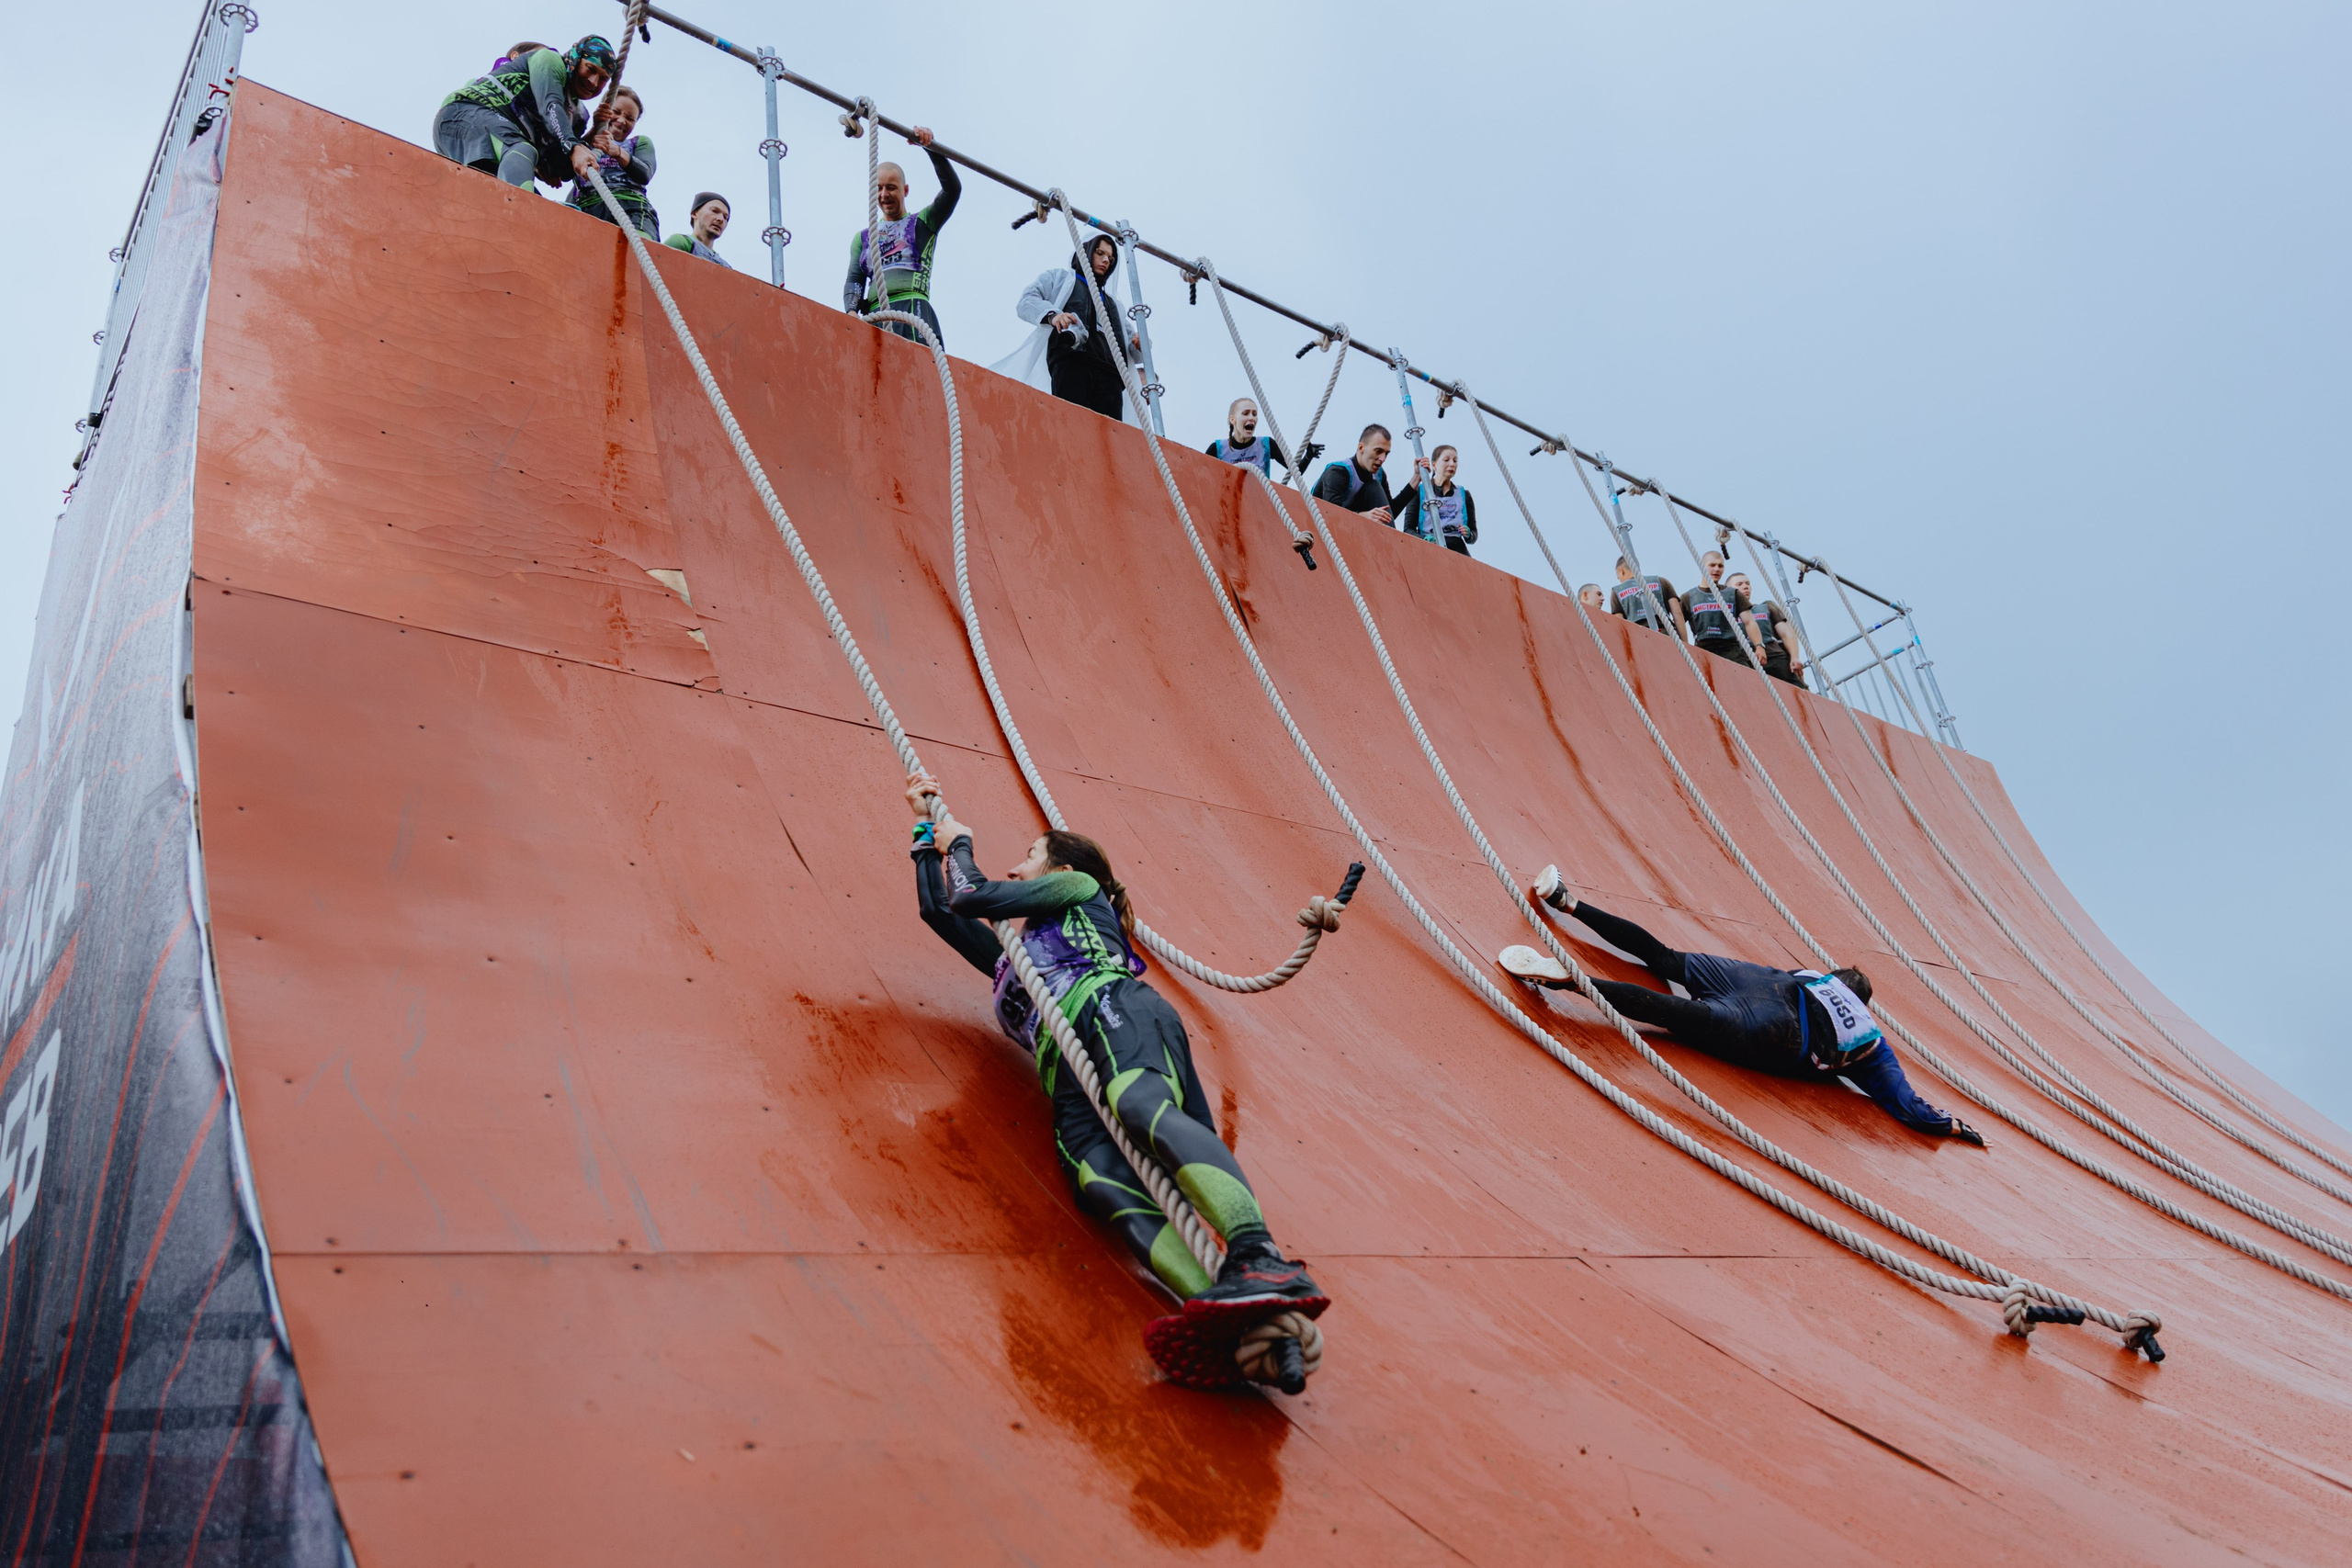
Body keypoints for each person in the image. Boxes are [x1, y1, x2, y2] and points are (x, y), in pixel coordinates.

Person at [901, 770, 1330, 1386]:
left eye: (1028, 858)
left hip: (1113, 1009)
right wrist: (923, 826)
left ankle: (1257, 1254)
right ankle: (1220, 1308)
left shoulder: (1077, 888)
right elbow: (940, 908)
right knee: (1098, 1179)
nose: (1020, 870)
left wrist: (959, 843)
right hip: (1068, 1069)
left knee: (1138, 1103)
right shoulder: (1015, 965)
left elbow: (970, 893)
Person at [1506, 870, 1984, 1145]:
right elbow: (1905, 1104)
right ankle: (1571, 980)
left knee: (1665, 958)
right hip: (1775, 1031)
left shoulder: (1814, 976)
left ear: (1834, 978)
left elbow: (1788, 978)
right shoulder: (1871, 1044)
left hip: (1761, 984)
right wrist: (1952, 1126)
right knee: (1673, 1013)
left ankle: (1567, 902)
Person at [435, 36, 615, 191]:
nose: (593, 82)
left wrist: (590, 138)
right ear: (576, 59)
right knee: (521, 150)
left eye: (603, 79)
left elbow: (556, 168)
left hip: (496, 143)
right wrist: (573, 146)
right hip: (464, 113)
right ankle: (520, 214)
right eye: (590, 69)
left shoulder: (579, 116)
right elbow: (550, 104)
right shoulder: (550, 60)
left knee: (533, 198)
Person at [843, 130, 961, 344]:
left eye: (891, 188)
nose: (884, 195)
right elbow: (854, 279)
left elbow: (952, 191)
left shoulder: (923, 222)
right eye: (878, 189)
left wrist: (930, 147)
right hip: (875, 317)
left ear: (905, 190)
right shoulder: (863, 238)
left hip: (914, 311)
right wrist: (851, 311)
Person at [1015, 235, 1140, 420]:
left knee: (1110, 439)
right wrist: (1054, 315)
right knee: (1072, 427)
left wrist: (1137, 342)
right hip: (1073, 364)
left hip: (1111, 377)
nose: (1106, 260)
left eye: (1111, 259)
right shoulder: (1060, 279)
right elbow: (1026, 301)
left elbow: (1133, 348)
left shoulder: (1115, 306)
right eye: (1100, 253)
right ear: (1088, 252)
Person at [565, 86, 657, 238]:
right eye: (616, 112)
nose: (621, 121)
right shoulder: (581, 145)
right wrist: (595, 129)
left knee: (640, 249)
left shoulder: (639, 142)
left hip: (631, 208)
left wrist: (618, 152)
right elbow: (566, 175)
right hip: (589, 209)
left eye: (629, 118)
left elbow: (645, 173)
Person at [1392, 445, 1477, 557]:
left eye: (1455, 461)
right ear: (1434, 465)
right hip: (1427, 547)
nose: (1452, 464)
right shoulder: (1419, 492)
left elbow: (1473, 535)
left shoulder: (1464, 495)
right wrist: (1424, 539)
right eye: (1446, 460)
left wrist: (1469, 535)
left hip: (1457, 548)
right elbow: (1408, 530)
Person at [1728, 571, 1806, 688]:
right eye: (1739, 584)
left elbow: (1787, 633)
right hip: (1747, 663)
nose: (1745, 586)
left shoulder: (1766, 607)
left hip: (1776, 658)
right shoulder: (1727, 616)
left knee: (1797, 692)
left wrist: (1795, 658)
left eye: (1747, 583)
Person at [1684, 550, 1759, 668]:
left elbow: (1749, 622)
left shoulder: (1733, 594)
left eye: (1720, 566)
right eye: (1712, 565)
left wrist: (1759, 646)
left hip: (1731, 649)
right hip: (1703, 649)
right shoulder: (1688, 597)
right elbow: (1677, 623)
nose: (1717, 569)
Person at [1205, 399, 1319, 476]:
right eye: (1245, 413)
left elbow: (1296, 472)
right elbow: (1200, 477)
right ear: (1232, 419)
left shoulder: (1266, 444)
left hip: (1259, 505)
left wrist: (1308, 456)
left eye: (1254, 414)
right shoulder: (1217, 449)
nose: (1251, 418)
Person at [1312, 426, 1397, 526]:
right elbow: (1331, 514)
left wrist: (1414, 481)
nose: (1383, 459)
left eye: (1386, 454)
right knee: (1373, 485)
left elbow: (1389, 515)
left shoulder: (1379, 474)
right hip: (1320, 525)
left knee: (1374, 486)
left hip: (1354, 527)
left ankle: (1387, 541)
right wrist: (1362, 516)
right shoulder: (1338, 472)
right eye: (1378, 451)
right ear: (1361, 448)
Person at [1610, 556, 1686, 639]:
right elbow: (1678, 614)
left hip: (1637, 639)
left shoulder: (1617, 592)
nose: (1620, 580)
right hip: (1666, 636)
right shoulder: (1662, 582)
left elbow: (1619, 624)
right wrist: (1685, 644)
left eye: (1618, 577)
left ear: (1621, 571)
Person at [665, 193, 733, 267]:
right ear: (695, 213)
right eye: (714, 211)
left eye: (725, 217)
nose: (721, 219)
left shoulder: (725, 266)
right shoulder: (681, 242)